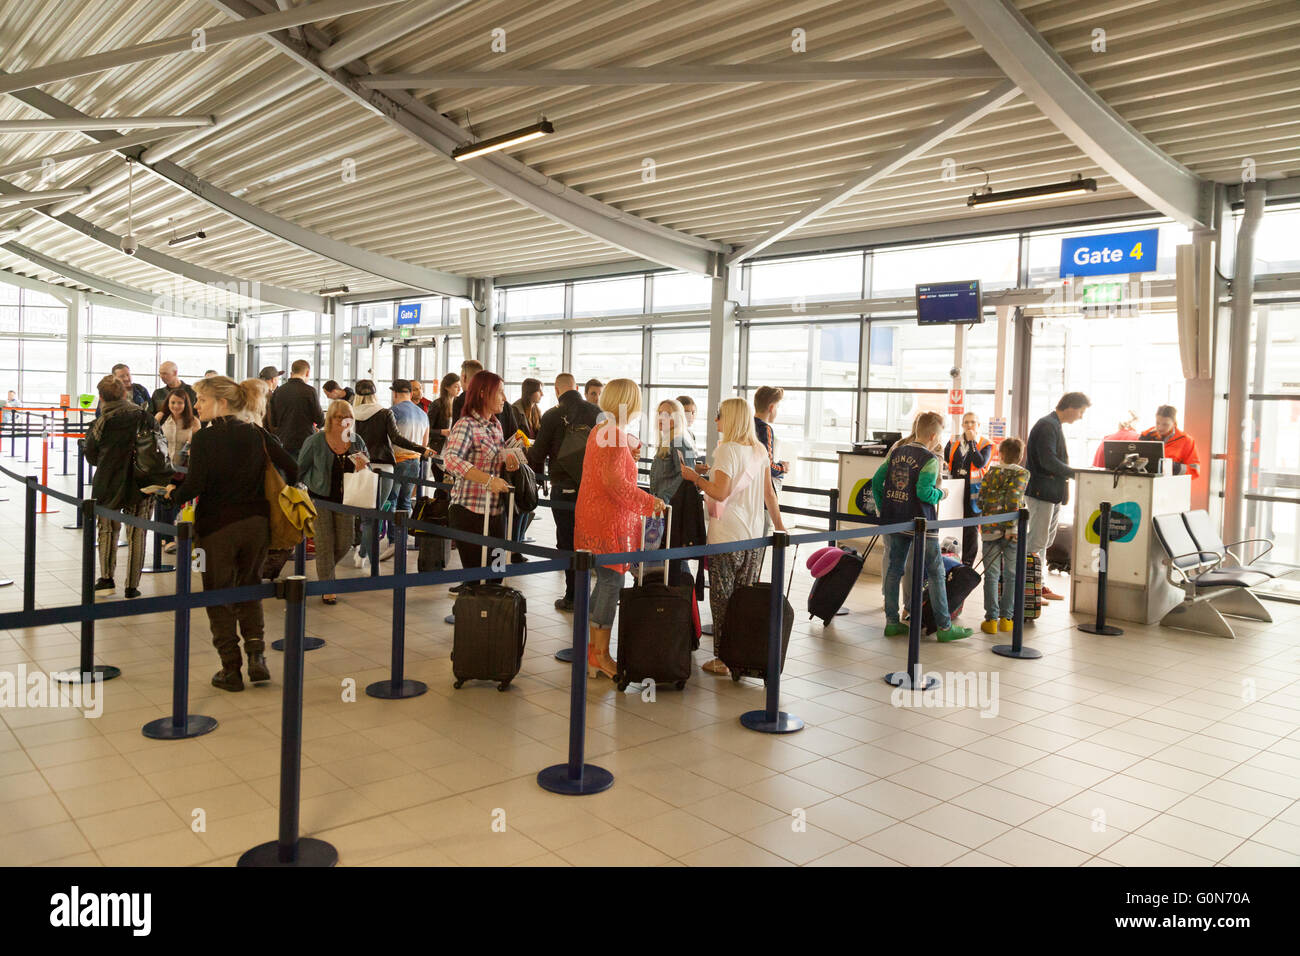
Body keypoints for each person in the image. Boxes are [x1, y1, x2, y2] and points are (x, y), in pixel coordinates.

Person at [164, 376, 299, 691]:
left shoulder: (206, 439)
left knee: (217, 594)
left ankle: (231, 668)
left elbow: (195, 485)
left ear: (221, 403)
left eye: (202, 400)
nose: (196, 406)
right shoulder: (257, 434)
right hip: (256, 525)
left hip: (216, 528)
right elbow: (292, 466)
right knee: (249, 586)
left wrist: (172, 493)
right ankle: (257, 657)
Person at [681, 398, 786, 676]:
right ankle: (740, 655)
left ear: (730, 419)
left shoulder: (727, 449)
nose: (716, 421)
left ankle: (722, 658)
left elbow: (720, 492)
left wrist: (695, 478)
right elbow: (769, 494)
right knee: (744, 600)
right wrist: (780, 526)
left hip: (726, 536)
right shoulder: (759, 449)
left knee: (722, 599)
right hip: (753, 537)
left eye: (719, 416)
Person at [575, 379, 663, 679]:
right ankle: (600, 654)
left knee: (603, 581)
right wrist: (649, 501)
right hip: (608, 519)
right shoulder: (613, 433)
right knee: (612, 582)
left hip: (592, 514)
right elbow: (614, 482)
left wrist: (628, 453)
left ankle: (591, 651)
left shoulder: (602, 429)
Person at [870, 411, 974, 642]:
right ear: (934, 435)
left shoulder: (896, 451)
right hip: (921, 524)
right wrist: (943, 493)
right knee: (936, 572)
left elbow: (877, 482)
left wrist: (885, 508)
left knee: (894, 569)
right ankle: (945, 628)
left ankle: (892, 622)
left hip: (895, 520)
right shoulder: (930, 460)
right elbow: (924, 492)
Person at [442, 371, 521, 592]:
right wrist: (488, 480)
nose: (504, 398)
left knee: (496, 574)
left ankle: (490, 619)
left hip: (495, 511)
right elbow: (451, 460)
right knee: (476, 578)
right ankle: (473, 619)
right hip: (469, 510)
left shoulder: (496, 425)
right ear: (484, 393)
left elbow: (494, 462)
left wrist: (509, 463)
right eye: (500, 392)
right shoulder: (465, 425)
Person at [528, 372, 601, 610]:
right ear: (577, 387)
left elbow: (537, 454)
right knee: (589, 539)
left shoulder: (551, 415)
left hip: (564, 488)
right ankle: (592, 595)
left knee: (567, 541)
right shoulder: (596, 413)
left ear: (557, 391)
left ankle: (572, 595)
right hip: (592, 488)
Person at [84, 375, 155, 599]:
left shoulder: (102, 422)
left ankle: (106, 579)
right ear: (125, 394)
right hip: (141, 483)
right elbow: (157, 450)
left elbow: (91, 454)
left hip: (108, 482)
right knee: (137, 533)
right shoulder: (145, 417)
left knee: (107, 529)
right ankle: (132, 586)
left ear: (101, 398)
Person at [297, 399, 370, 605]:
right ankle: (327, 588)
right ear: (330, 418)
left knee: (345, 542)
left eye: (347, 418)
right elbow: (300, 468)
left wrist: (362, 467)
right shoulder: (317, 440)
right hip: (320, 498)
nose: (343, 422)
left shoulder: (355, 441)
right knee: (324, 544)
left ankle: (325, 571)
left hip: (346, 499)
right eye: (338, 418)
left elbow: (366, 468)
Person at [352, 379, 431, 565]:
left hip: (363, 467)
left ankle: (366, 555)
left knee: (369, 514)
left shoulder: (352, 414)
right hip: (390, 466)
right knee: (386, 509)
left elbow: (350, 443)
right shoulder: (386, 412)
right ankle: (392, 546)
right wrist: (421, 449)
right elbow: (397, 438)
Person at [1025, 392, 1090, 601]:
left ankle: (1037, 585)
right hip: (1041, 492)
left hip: (1050, 493)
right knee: (1037, 541)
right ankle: (1028, 588)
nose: (1080, 416)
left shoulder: (1053, 425)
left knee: (1044, 540)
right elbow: (1048, 461)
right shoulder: (1047, 425)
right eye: (1081, 411)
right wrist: (1075, 474)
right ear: (1070, 406)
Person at [649, 398, 707, 587]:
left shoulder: (680, 441)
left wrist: (664, 500)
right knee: (671, 560)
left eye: (667, 414)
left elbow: (686, 476)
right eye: (659, 413)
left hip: (671, 510)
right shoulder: (666, 441)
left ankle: (681, 601)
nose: (661, 418)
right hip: (662, 508)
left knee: (674, 559)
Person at [975, 437, 1029, 634]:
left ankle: (990, 620)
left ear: (1001, 454)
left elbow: (980, 501)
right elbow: (1014, 498)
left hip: (989, 528)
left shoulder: (991, 471)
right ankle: (1007, 618)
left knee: (991, 574)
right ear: (1021, 456)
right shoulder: (1023, 473)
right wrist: (1009, 527)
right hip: (1012, 531)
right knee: (1011, 574)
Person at [943, 412, 994, 566]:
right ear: (962, 425)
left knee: (970, 530)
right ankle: (953, 560)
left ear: (978, 426)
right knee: (955, 526)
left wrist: (972, 443)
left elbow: (979, 463)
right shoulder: (953, 440)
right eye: (966, 422)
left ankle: (967, 565)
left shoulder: (986, 444)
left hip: (974, 493)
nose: (969, 425)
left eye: (973, 422)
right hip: (955, 491)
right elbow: (946, 458)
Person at [156, 387, 198, 554]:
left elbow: (194, 446)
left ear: (185, 404)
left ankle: (169, 537)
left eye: (180, 403)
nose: (176, 406)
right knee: (162, 503)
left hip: (182, 469)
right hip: (163, 467)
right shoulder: (161, 417)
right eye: (173, 402)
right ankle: (164, 538)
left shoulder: (193, 421)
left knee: (173, 502)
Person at [388, 379, 432, 537]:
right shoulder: (423, 414)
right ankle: (402, 538)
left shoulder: (393, 411)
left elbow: (389, 439)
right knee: (406, 501)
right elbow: (425, 443)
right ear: (410, 393)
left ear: (395, 393)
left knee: (392, 500)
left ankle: (393, 539)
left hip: (397, 461)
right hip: (415, 462)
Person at [266, 359, 323, 456]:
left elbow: (274, 421)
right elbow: (320, 419)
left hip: (283, 441)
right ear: (307, 372)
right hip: (305, 442)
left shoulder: (278, 392)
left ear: (292, 372)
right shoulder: (310, 391)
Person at [1139, 405, 1201, 478]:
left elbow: (1194, 471)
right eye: (1157, 423)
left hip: (1172, 485)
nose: (1160, 428)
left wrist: (1174, 467)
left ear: (1174, 423)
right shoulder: (1146, 436)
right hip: (1146, 483)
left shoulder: (1186, 441)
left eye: (1165, 424)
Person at [752, 385, 789, 488]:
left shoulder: (746, 425)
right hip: (760, 488)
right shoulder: (765, 428)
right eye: (777, 407)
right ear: (771, 408)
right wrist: (783, 468)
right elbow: (768, 465)